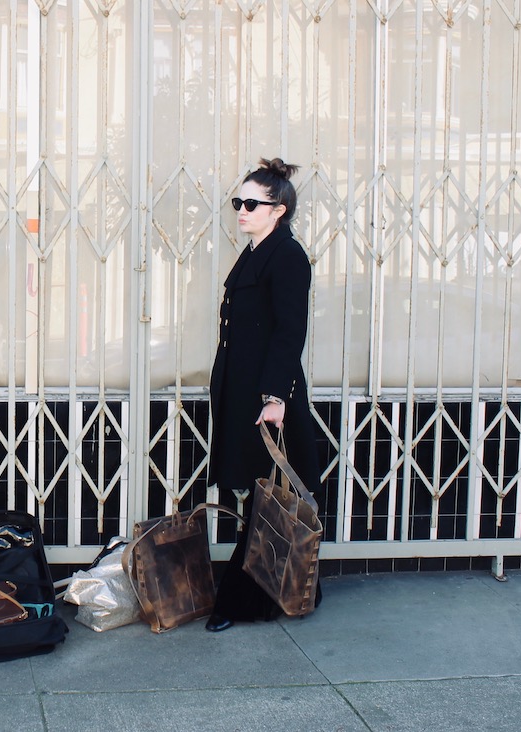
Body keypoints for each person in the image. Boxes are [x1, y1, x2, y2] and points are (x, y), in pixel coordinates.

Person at [205, 158, 321, 632]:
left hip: (267, 397)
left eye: (253, 204)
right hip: (244, 392)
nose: (242, 210)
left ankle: (241, 600)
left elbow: (290, 332)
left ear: (279, 210)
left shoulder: (287, 256)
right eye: (239, 201)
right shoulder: (257, 252)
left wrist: (276, 397)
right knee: (261, 492)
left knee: (267, 495)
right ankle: (283, 589)